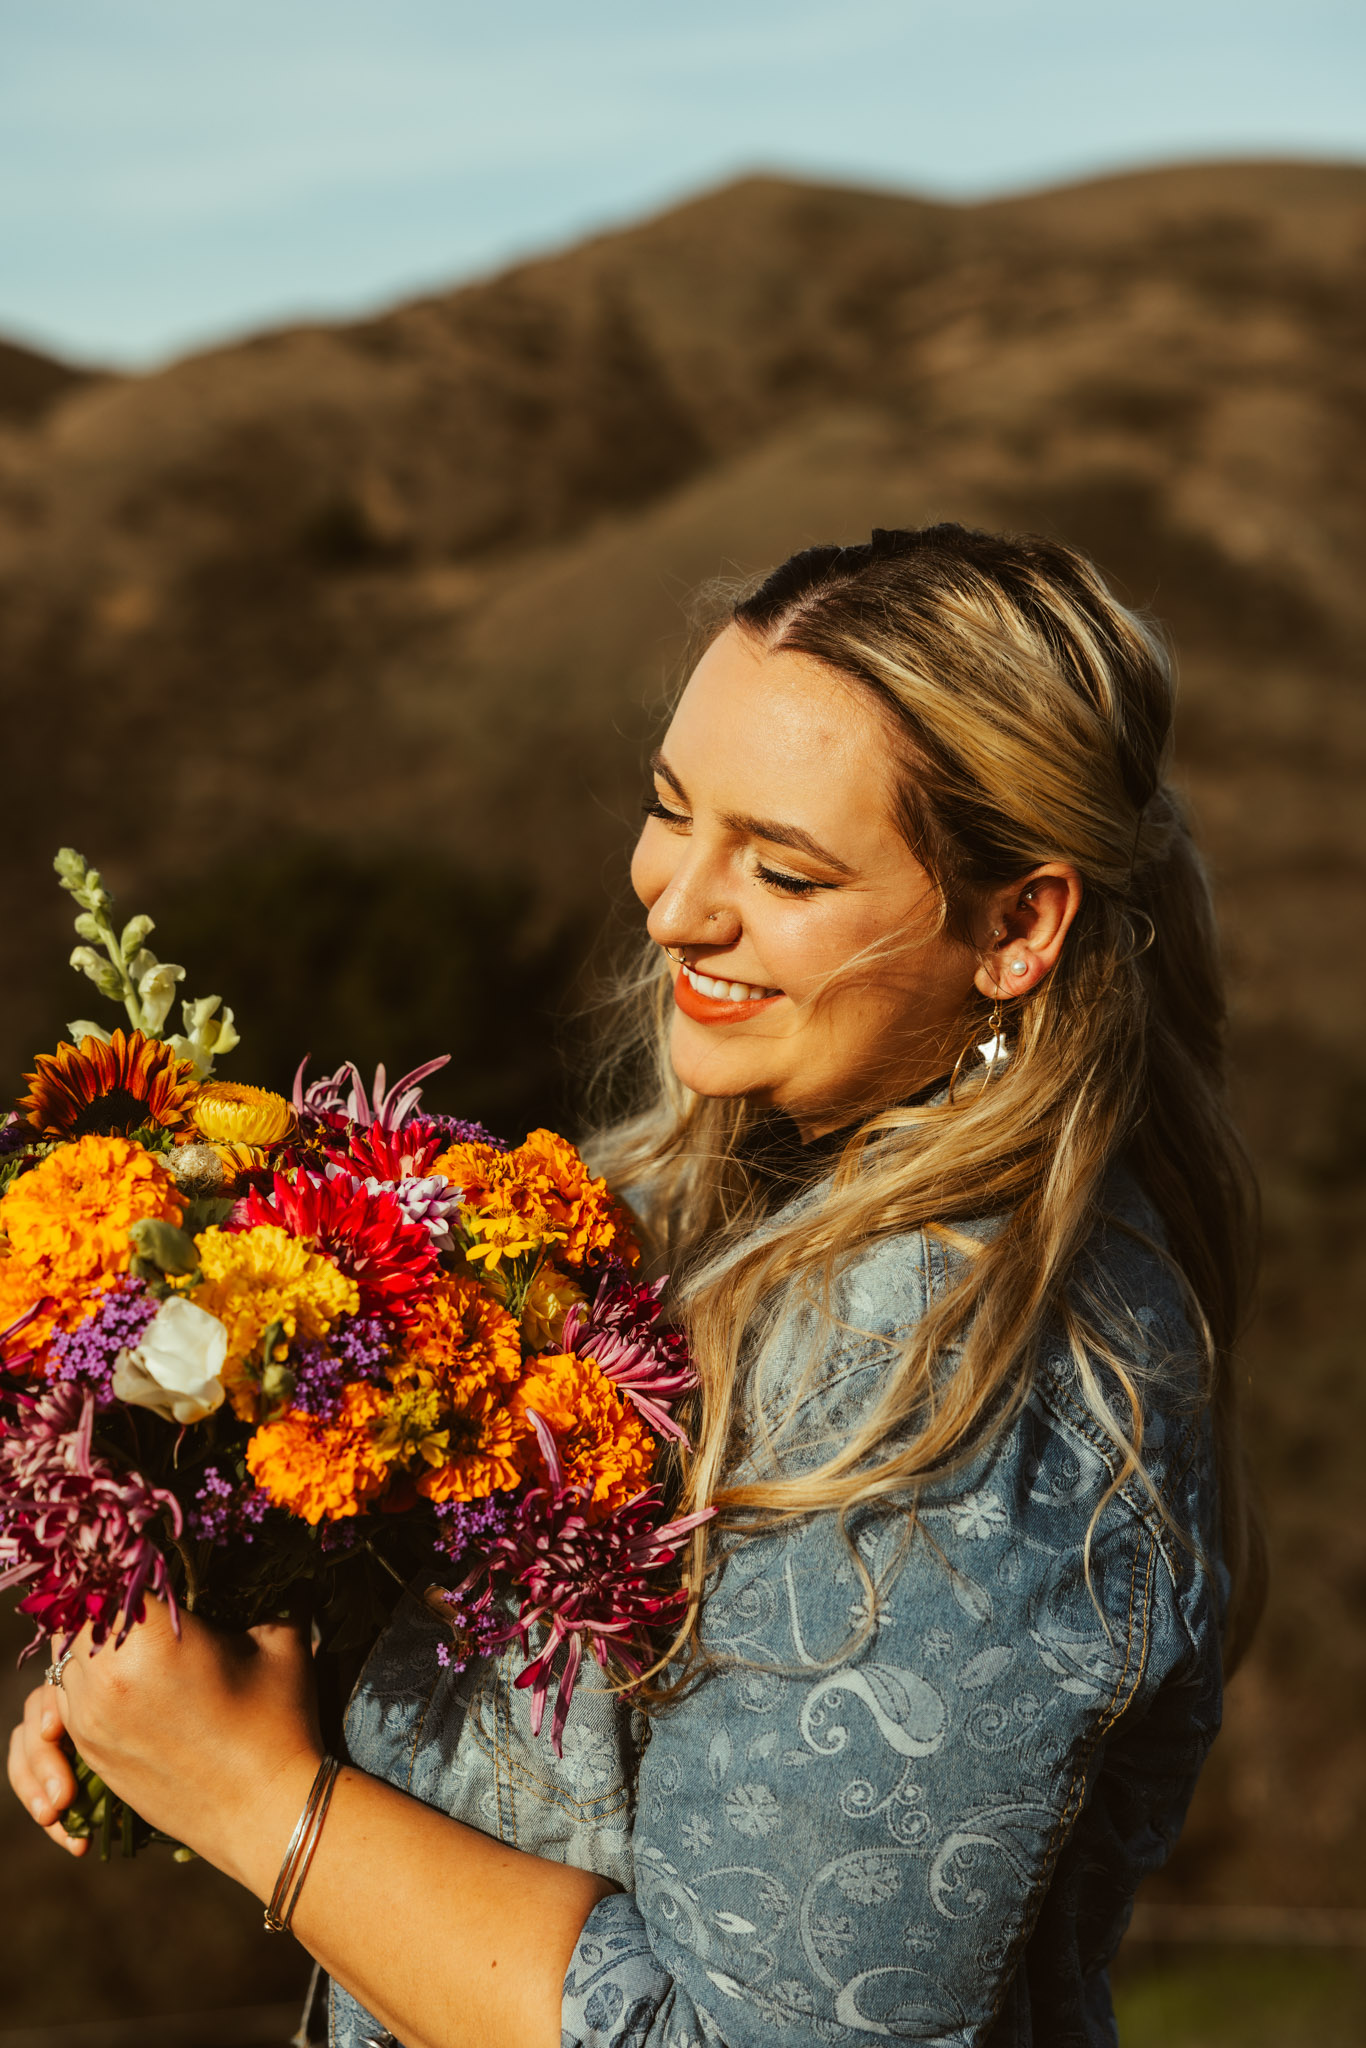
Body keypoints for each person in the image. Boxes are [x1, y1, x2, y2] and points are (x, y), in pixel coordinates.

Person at [7, 524, 1263, 2048]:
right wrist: (197, 1676)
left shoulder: (955, 1385)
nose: (675, 907)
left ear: (1014, 927)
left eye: (784, 869)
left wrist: (259, 1797)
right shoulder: (695, 1203)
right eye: (673, 812)